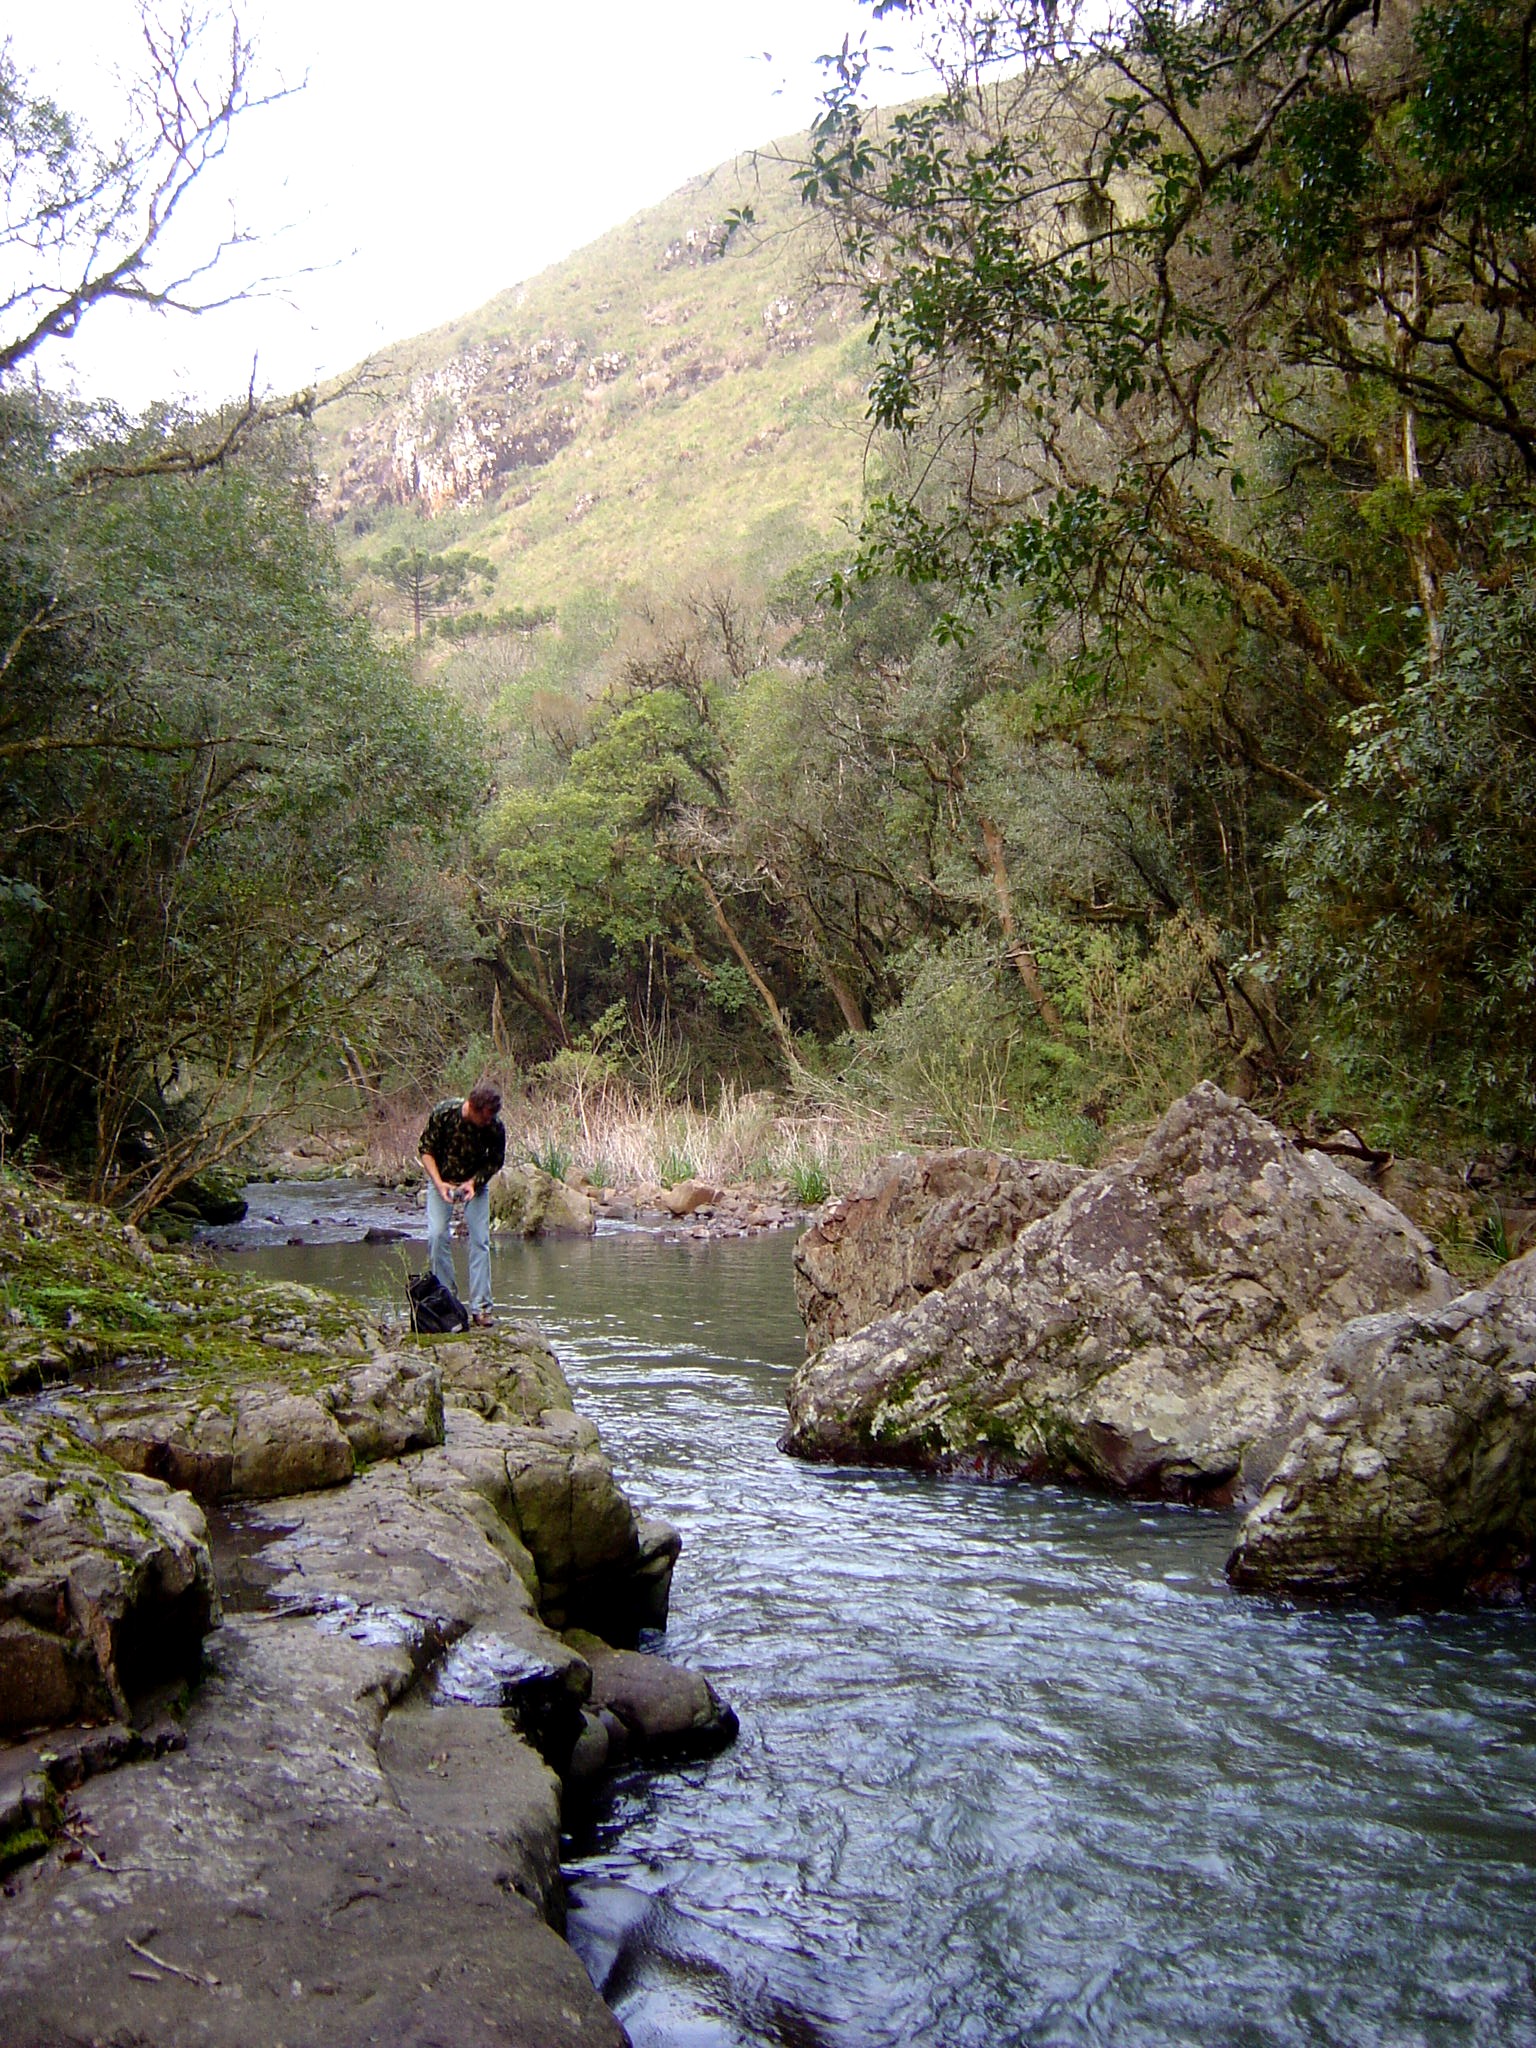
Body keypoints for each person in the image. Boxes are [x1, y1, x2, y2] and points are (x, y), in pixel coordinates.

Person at [418, 1083, 506, 1328]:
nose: (490, 1122)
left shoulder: (495, 1127)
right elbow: (426, 1150)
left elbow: (496, 1160)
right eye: (486, 1118)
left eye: (492, 1118)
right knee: (437, 1236)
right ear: (474, 1108)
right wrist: (439, 1184)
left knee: (480, 1241)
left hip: (474, 1183)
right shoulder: (444, 1113)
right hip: (441, 1180)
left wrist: (474, 1183)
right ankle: (446, 1302)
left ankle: (481, 1308)